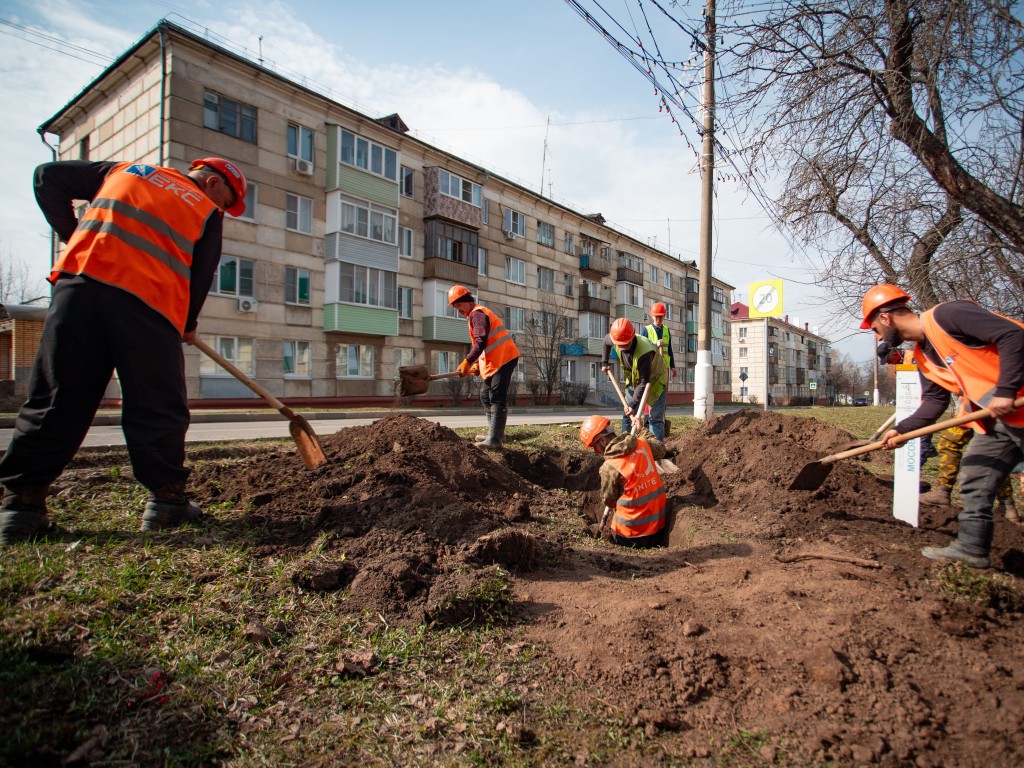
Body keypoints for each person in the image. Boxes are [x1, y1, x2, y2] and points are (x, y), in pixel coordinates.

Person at [0, 156, 247, 544]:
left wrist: (74, 236)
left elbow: (47, 177)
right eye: (227, 202)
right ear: (214, 183)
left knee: (56, 397)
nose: (224, 210)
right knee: (156, 403)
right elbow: (200, 276)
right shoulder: (204, 210)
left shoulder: (127, 170)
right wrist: (186, 324)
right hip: (149, 304)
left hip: (80, 286)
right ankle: (166, 502)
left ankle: (22, 505)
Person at [860, 284, 1024, 568]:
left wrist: (1006, 391)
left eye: (874, 329)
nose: (877, 337)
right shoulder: (924, 357)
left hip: (1015, 402)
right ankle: (972, 548)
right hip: (1000, 420)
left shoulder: (947, 316)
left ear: (886, 318)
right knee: (975, 473)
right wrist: (903, 430)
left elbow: (1013, 335)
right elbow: (935, 402)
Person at [579, 414, 668, 548]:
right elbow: (661, 449)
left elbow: (609, 500)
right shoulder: (642, 443)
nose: (596, 452)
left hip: (631, 536)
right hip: (658, 527)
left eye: (594, 447)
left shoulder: (610, 467)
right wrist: (642, 429)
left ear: (603, 440)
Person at [448, 285, 520, 449]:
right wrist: (476, 365)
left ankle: (494, 440)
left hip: (504, 358)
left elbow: (481, 342)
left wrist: (467, 360)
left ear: (466, 301)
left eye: (458, 305)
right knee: (485, 396)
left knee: (496, 396)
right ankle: (494, 434)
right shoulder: (475, 315)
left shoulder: (478, 314)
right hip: (497, 360)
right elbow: (484, 345)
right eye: (455, 307)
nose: (457, 310)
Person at [603, 317, 669, 440]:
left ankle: (655, 451)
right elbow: (605, 341)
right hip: (634, 380)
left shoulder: (645, 352)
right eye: (619, 345)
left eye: (625, 345)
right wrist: (604, 362)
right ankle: (625, 445)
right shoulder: (616, 337)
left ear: (632, 337)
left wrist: (633, 404)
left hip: (655, 380)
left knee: (655, 418)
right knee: (627, 415)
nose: (622, 348)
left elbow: (644, 382)